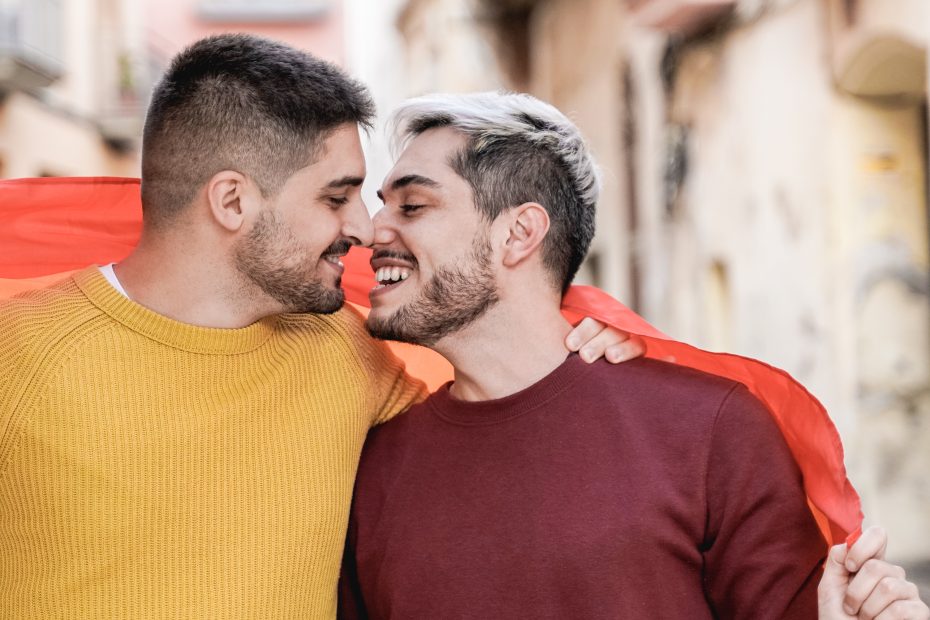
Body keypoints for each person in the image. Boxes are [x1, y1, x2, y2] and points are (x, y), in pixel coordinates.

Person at [0, 36, 635, 617]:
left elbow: (496, 414)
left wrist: (587, 355)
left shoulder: (349, 355)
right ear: (232, 202)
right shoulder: (15, 353)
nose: (364, 230)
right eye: (337, 198)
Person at [338, 92, 928, 618]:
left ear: (518, 233)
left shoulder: (710, 429)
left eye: (411, 206)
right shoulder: (373, 462)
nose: (370, 231)